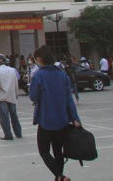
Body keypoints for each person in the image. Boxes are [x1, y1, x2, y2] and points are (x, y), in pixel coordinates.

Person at [29, 45, 81, 181]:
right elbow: (69, 99)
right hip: (62, 119)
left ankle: (59, 176)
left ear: (39, 59)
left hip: (45, 119)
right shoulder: (62, 75)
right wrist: (75, 118)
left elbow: (33, 96)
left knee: (44, 151)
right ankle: (59, 177)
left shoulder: (38, 75)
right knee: (58, 151)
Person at [0, 54, 22, 140]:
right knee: (14, 115)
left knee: (4, 117)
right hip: (11, 96)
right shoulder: (13, 70)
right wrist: (16, 94)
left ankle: (8, 135)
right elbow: (16, 84)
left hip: (2, 96)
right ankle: (18, 133)